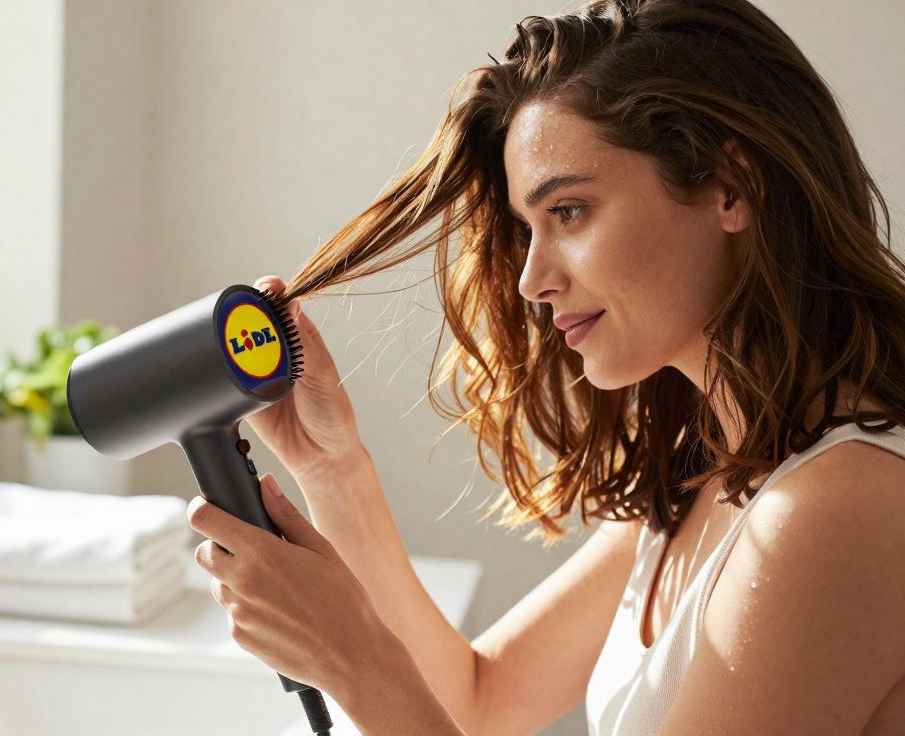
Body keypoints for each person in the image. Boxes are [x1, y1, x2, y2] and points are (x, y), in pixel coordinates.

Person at [185, 0, 905, 733]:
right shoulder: (713, 475)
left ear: (731, 187)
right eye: (529, 228)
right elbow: (479, 698)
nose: (532, 279)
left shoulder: (838, 511)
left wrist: (350, 660)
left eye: (569, 212)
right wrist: (332, 469)